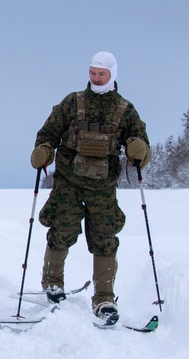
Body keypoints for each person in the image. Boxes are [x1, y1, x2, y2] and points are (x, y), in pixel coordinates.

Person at [30, 51, 149, 324]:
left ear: (112, 75)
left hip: (103, 187)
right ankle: (52, 284)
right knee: (61, 231)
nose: (96, 78)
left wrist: (137, 149)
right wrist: (44, 150)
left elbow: (141, 146)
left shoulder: (125, 109)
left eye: (102, 74)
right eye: (93, 72)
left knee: (105, 240)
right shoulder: (72, 102)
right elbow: (48, 132)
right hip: (68, 183)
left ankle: (104, 298)